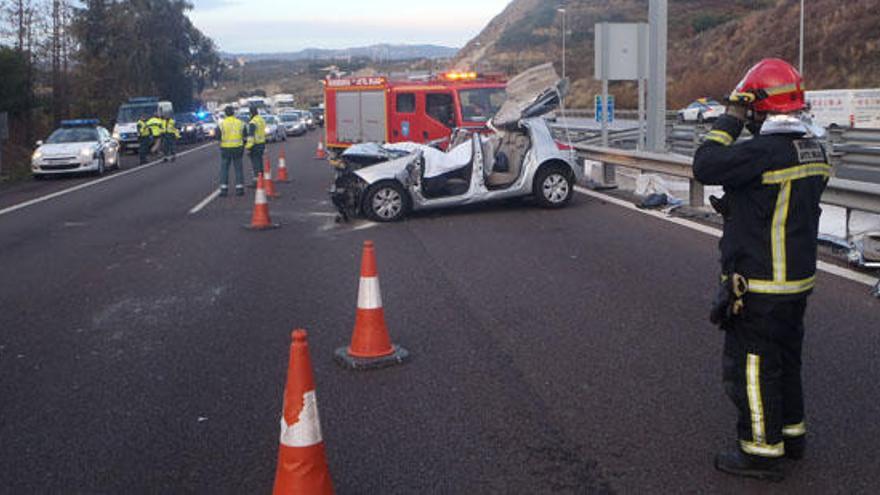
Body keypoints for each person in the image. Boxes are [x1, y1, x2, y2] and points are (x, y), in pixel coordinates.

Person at [693, 58, 829, 482]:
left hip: (761, 284)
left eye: (749, 107)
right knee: (786, 362)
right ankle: (792, 437)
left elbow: (705, 164)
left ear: (758, 106)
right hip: (797, 283)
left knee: (752, 367)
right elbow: (774, 207)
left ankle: (760, 453)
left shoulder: (759, 153)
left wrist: (729, 119)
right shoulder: (813, 149)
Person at [216, 105, 246, 196]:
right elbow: (245, 135)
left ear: (225, 113)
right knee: (238, 168)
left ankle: (224, 189)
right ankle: (239, 189)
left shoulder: (221, 124)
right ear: (234, 112)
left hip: (225, 148)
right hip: (238, 147)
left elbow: (217, 137)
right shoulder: (240, 123)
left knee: (224, 169)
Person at [246, 106, 267, 185]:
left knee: (255, 163)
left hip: (255, 145)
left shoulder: (253, 122)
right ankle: (262, 178)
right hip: (262, 143)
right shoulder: (261, 120)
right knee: (260, 162)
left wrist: (248, 147)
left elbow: (251, 137)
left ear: (251, 113)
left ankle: (257, 181)